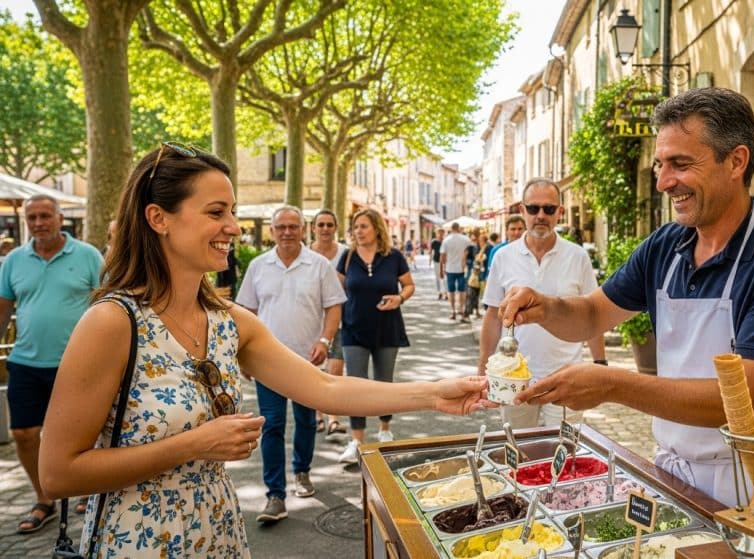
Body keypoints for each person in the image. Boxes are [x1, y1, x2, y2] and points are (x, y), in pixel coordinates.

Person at [38, 143, 492, 558]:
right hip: (138, 541)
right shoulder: (112, 322)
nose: (233, 227)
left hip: (217, 533)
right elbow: (58, 473)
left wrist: (434, 394)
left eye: (232, 211)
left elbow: (325, 388)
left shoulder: (229, 320)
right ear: (159, 218)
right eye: (216, 212)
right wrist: (194, 444)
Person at [502, 88, 754, 506]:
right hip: (672, 474)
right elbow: (590, 316)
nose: (663, 182)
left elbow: (749, 399)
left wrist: (613, 384)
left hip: (750, 484)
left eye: (680, 164)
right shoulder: (666, 246)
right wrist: (544, 307)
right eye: (660, 165)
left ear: (737, 161)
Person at [0, 194, 103, 533]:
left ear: (61, 218)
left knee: (88, 434)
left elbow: (108, 306)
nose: (39, 223)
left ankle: (90, 490)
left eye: (46, 216)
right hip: (26, 362)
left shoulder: (88, 256)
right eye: (33, 218)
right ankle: (44, 497)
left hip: (78, 364)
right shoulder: (13, 261)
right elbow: (3, 309)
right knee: (24, 433)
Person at [236, 205, 344, 522]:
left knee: (307, 421)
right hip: (266, 362)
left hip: (306, 361)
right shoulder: (258, 266)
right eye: (280, 227)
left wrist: (324, 341)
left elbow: (333, 308)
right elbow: (246, 313)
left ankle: (302, 471)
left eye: (292, 227)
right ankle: (275, 495)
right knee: (272, 425)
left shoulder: (319, 266)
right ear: (272, 231)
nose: (286, 232)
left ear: (302, 230)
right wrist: (242, 352)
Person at [480, 178, 606, 428]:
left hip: (566, 375)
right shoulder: (503, 257)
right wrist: (482, 369)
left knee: (562, 454)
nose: (541, 215)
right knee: (517, 451)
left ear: (559, 212)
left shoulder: (577, 256)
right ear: (522, 210)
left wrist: (600, 363)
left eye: (549, 209)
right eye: (533, 208)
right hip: (513, 376)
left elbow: (592, 314)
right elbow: (493, 315)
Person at [336, 208, 415, 464]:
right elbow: (335, 293)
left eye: (363, 226)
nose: (358, 231)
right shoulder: (347, 258)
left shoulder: (393, 257)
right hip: (353, 328)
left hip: (387, 327)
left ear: (377, 229)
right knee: (355, 386)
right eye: (355, 227)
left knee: (384, 383)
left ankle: (385, 431)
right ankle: (357, 440)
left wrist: (399, 298)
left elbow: (409, 285)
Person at [309, 209, 348, 439]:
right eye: (320, 225)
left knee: (335, 371)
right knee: (314, 372)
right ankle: (317, 415)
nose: (325, 229)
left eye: (329, 225)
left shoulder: (346, 254)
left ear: (336, 228)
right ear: (313, 228)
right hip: (313, 323)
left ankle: (334, 419)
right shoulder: (305, 255)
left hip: (341, 321)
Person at [440, 222, 473, 323]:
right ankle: (461, 311)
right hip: (463, 269)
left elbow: (442, 256)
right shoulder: (466, 239)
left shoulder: (446, 240)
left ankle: (453, 311)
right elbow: (470, 252)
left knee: (451, 291)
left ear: (451, 228)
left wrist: (442, 268)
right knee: (462, 290)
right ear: (459, 228)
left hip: (450, 269)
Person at [430, 228, 445, 299]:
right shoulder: (434, 242)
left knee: (444, 277)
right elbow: (431, 251)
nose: (440, 234)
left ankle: (445, 292)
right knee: (437, 277)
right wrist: (430, 260)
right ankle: (439, 292)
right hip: (436, 260)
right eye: (439, 233)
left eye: (442, 233)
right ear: (437, 233)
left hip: (445, 261)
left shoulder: (445, 241)